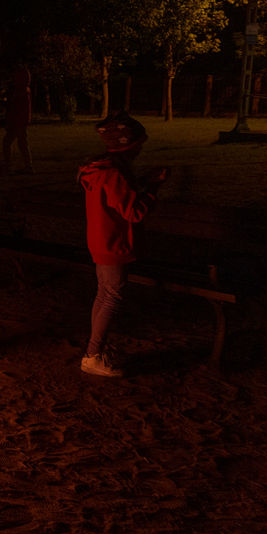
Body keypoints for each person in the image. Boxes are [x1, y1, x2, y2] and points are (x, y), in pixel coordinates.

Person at [75, 113, 166, 378]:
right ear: (129, 145)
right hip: (114, 243)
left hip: (101, 240)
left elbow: (118, 198)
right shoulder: (113, 173)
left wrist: (143, 182)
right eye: (139, 144)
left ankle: (95, 350)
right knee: (111, 298)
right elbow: (133, 212)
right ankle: (92, 356)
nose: (141, 149)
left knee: (104, 295)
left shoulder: (100, 169)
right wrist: (153, 188)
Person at [2, 64, 34, 175]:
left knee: (10, 142)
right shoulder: (24, 90)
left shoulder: (21, 91)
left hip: (18, 121)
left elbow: (16, 108)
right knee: (20, 143)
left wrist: (12, 121)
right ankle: (25, 166)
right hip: (20, 121)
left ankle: (10, 165)